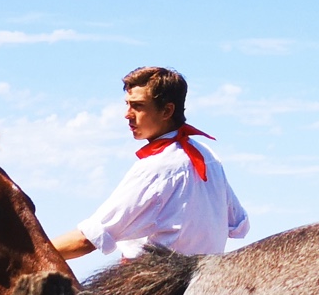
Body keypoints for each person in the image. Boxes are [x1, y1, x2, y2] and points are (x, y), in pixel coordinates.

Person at [54, 66, 248, 261]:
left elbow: (88, 239)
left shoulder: (157, 167)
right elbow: (239, 225)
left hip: (158, 287)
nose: (127, 114)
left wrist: (29, 254)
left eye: (138, 106)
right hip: (206, 282)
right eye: (127, 104)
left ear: (167, 111)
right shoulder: (209, 157)